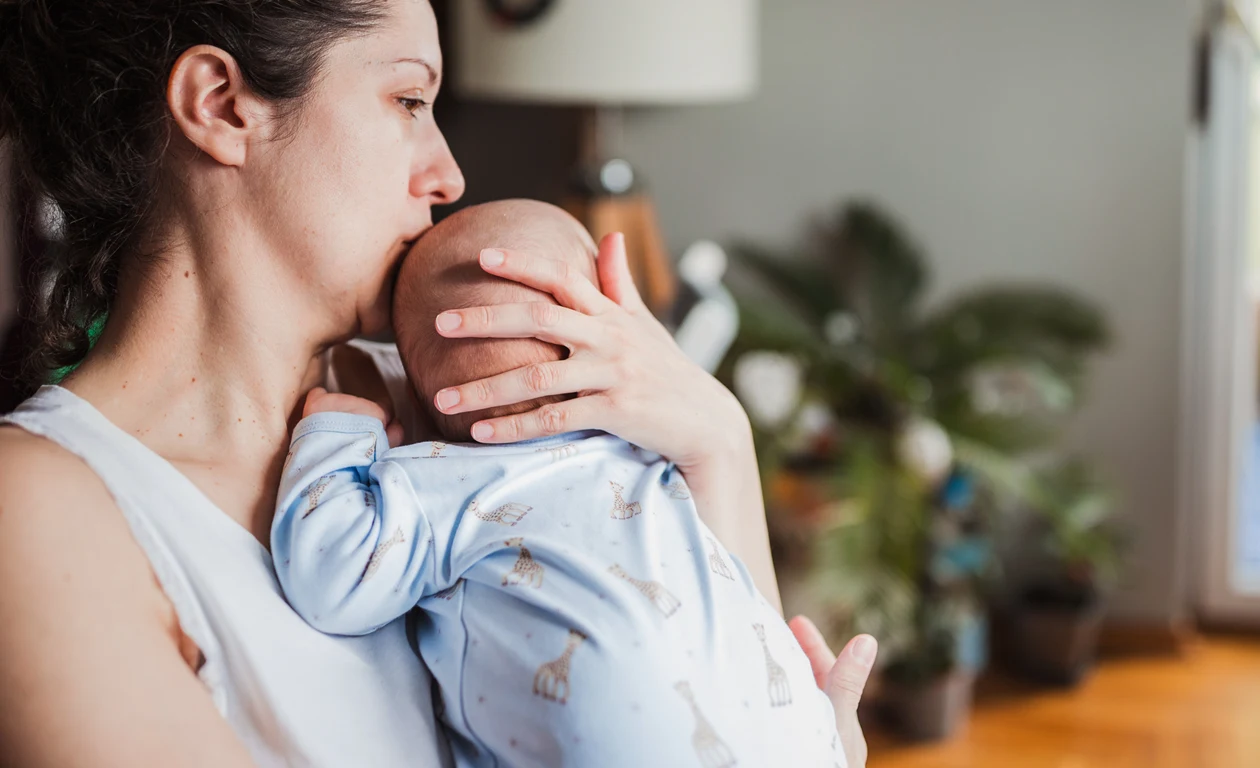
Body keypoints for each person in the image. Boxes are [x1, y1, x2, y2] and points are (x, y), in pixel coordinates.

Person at [0, 2, 877, 767]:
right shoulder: (41, 508)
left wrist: (717, 444)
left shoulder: (463, 406)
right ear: (222, 104)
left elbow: (723, 699)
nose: (449, 176)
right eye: (409, 100)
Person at [273, 199, 846, 767]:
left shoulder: (441, 481)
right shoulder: (653, 455)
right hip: (804, 740)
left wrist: (338, 433)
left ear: (422, 395)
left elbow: (334, 582)